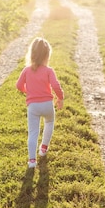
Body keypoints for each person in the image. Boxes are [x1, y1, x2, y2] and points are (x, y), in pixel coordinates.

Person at [16, 37, 64, 168]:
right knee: (49, 122)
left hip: (33, 106)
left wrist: (28, 91)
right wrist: (60, 98)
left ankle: (32, 161)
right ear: (47, 55)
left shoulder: (26, 70)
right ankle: (43, 148)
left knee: (33, 132)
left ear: (31, 54)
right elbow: (56, 85)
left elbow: (19, 85)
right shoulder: (49, 71)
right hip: (48, 104)